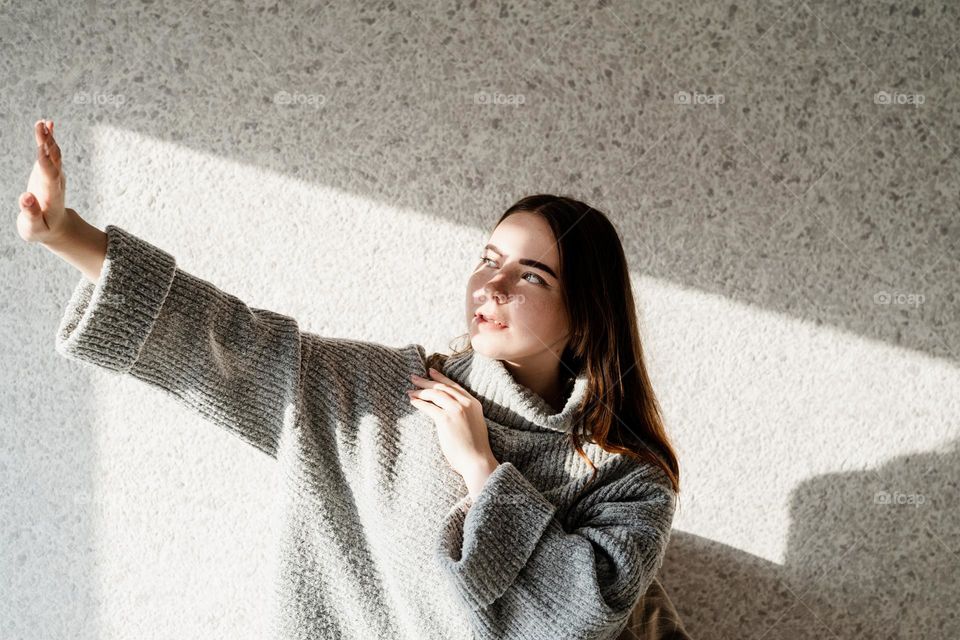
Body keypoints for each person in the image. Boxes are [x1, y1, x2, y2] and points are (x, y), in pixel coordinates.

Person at [19, 118, 689, 640]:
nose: (493, 282)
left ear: (586, 315)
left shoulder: (627, 481)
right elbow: (226, 339)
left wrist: (483, 471)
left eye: (530, 275)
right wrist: (66, 234)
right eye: (488, 258)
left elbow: (570, 622)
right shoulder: (385, 393)